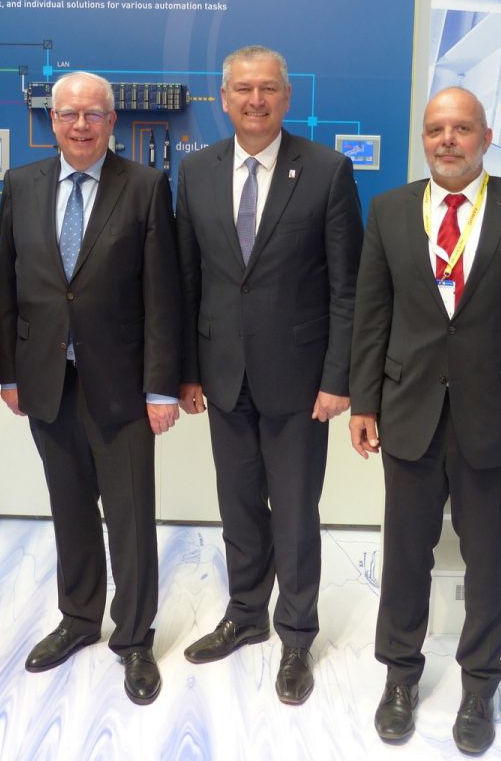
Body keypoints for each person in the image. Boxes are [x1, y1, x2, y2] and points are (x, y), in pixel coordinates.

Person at [349, 86, 501, 755]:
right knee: (405, 554)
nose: (448, 139)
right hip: (409, 411)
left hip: (496, 417)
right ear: (425, 136)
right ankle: (400, 676)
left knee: (490, 560)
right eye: (436, 128)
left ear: (486, 135)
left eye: (461, 128)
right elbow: (372, 315)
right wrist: (363, 402)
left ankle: (480, 683)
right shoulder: (388, 211)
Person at [176, 45, 363, 704]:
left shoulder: (327, 171)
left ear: (288, 98)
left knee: (295, 515)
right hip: (223, 376)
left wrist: (339, 376)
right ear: (223, 99)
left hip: (301, 379)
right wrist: (187, 371)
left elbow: (348, 289)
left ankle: (296, 634)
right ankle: (246, 614)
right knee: (238, 508)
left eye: (268, 90)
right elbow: (188, 280)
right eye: (242, 89)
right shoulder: (195, 173)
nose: (255, 100)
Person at [0, 71, 180, 705]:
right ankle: (78, 620)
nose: (80, 125)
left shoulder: (147, 187)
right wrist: (9, 372)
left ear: (112, 122)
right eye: (69, 114)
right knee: (69, 510)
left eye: (93, 115)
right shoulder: (22, 185)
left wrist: (160, 389)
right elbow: (10, 286)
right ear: (52, 121)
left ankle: (134, 638)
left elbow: (163, 294)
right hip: (47, 381)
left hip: (122, 386)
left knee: (129, 517)